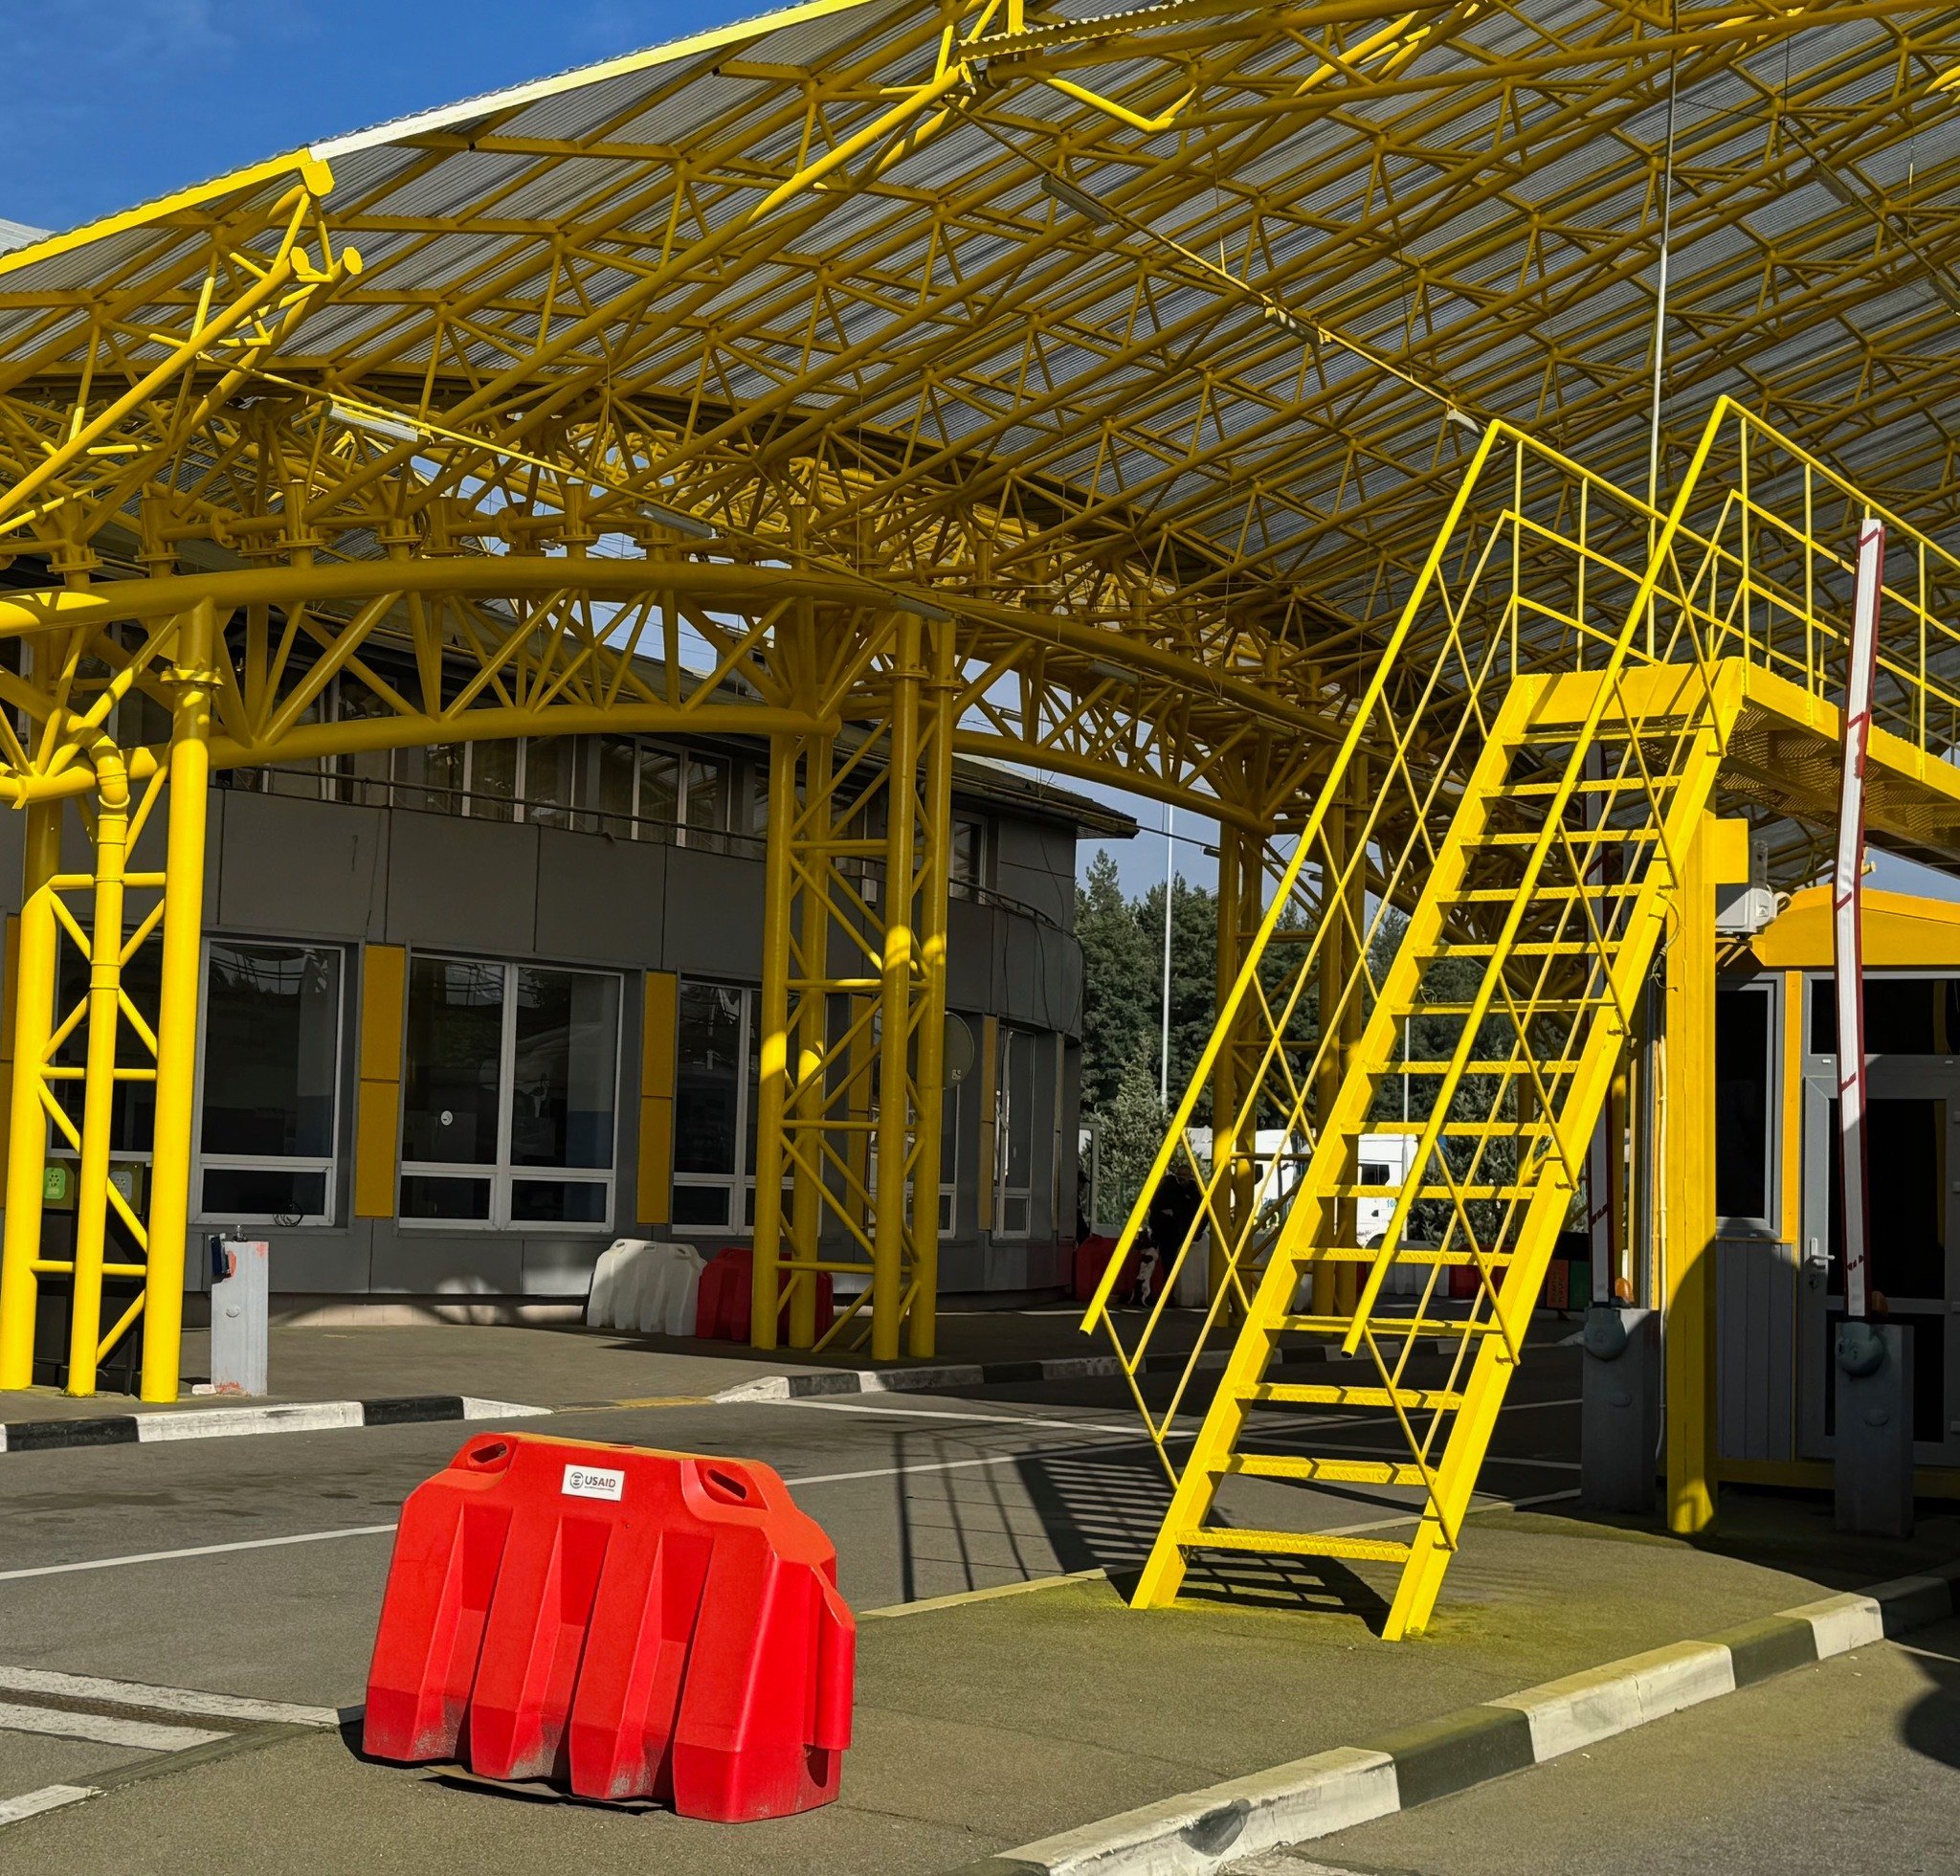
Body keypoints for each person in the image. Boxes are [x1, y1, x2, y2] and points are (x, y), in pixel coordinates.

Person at [1145, 1165, 1204, 1303]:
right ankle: (1164, 1295)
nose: (1181, 1178)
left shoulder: (1195, 1192)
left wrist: (1176, 1214)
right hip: (1167, 1233)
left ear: (1190, 1177)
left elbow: (1197, 1212)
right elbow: (1156, 1207)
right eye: (1179, 1175)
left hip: (1183, 1232)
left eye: (1184, 1175)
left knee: (1171, 1264)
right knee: (1165, 1263)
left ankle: (1169, 1295)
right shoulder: (1169, 1188)